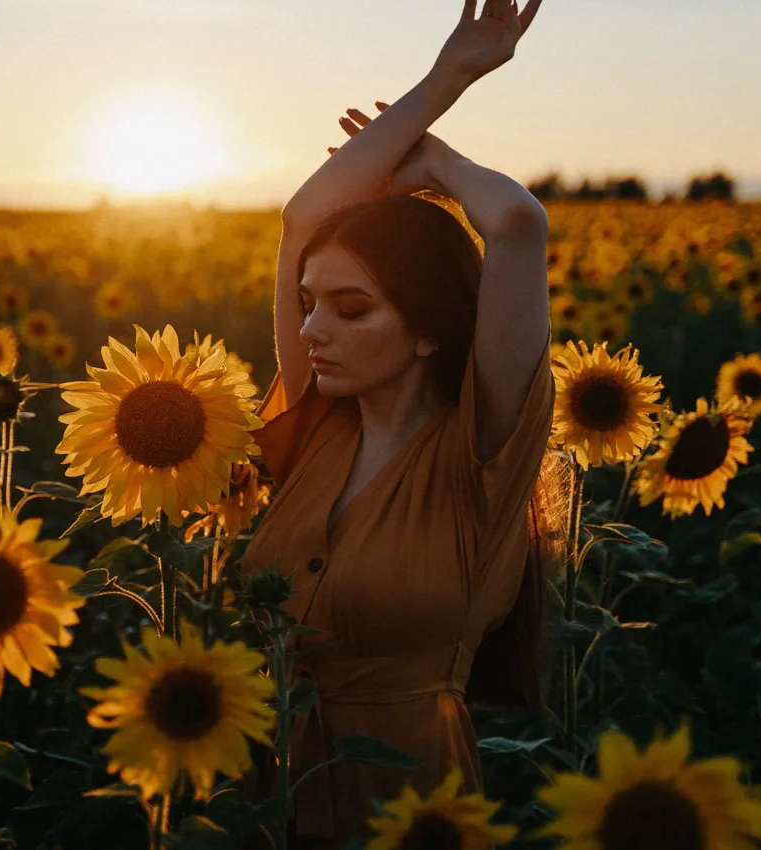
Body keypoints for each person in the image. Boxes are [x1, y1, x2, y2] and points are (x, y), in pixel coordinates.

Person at [237, 1, 571, 847]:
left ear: (427, 328)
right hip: (264, 796)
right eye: (310, 304)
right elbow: (302, 219)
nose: (312, 332)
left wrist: (439, 163)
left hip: (409, 811)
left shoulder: (478, 456)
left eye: (352, 310)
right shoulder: (316, 428)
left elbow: (517, 224)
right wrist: (445, 75)